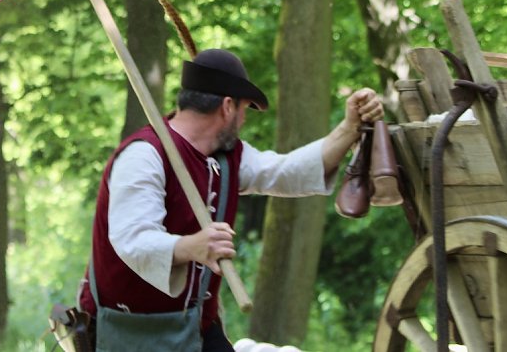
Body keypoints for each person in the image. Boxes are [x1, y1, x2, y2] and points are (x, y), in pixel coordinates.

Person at [77, 49, 385, 351]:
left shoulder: (227, 158)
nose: (243, 120)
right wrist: (192, 246)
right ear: (227, 106)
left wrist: (349, 129)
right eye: (244, 109)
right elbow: (132, 240)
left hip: (195, 329)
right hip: (128, 333)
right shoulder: (144, 155)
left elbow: (286, 171)